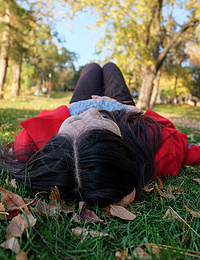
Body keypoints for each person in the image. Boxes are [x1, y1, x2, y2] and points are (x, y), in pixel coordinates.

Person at [0, 62, 200, 206]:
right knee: (111, 67)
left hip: (78, 102)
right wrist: (124, 109)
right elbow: (175, 137)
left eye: (76, 121)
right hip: (121, 109)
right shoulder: (154, 151)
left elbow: (40, 123)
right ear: (120, 144)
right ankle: (108, 112)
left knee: (92, 68)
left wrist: (74, 112)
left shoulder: (32, 143)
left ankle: (86, 116)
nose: (92, 112)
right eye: (102, 123)